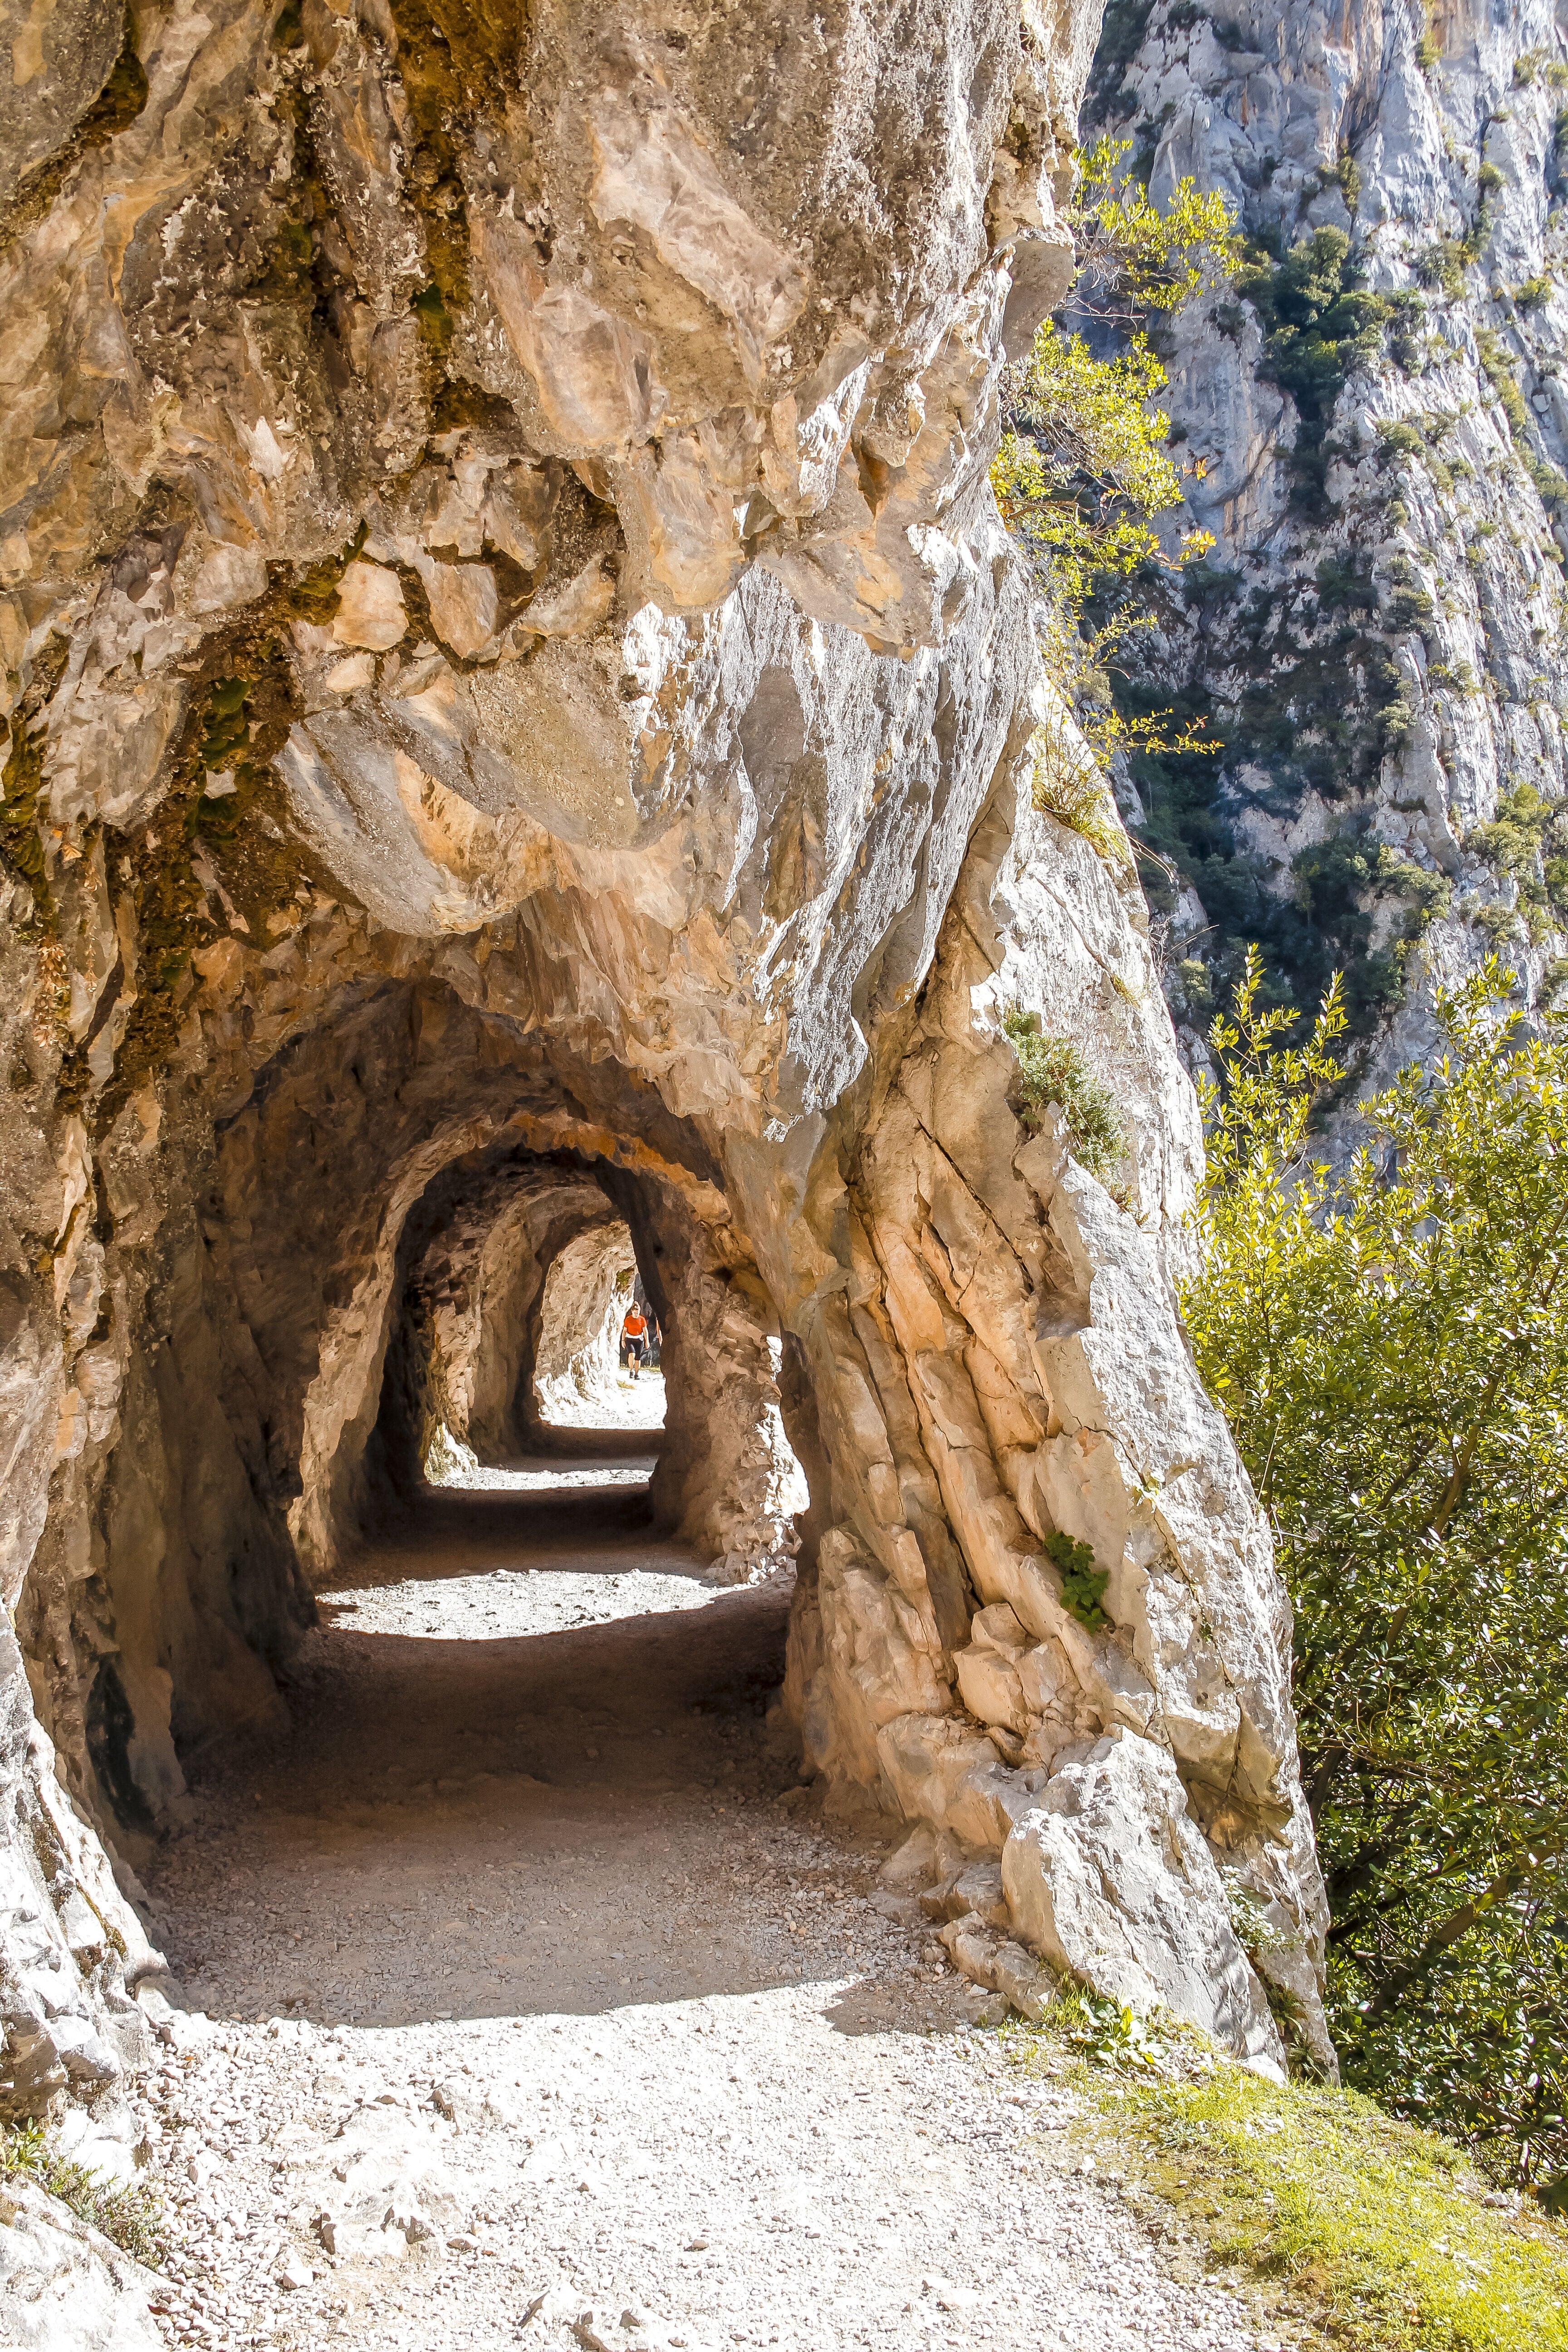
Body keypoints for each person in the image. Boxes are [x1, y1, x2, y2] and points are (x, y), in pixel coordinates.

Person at [622, 1301, 648, 1378]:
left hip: (639, 1339)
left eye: (638, 1313)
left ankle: (637, 1374)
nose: (636, 1314)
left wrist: (647, 1341)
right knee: (632, 1354)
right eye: (635, 1313)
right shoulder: (628, 1319)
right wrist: (623, 1340)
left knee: (638, 1358)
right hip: (630, 1339)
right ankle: (631, 1370)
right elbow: (624, 1331)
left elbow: (645, 1331)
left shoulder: (642, 1319)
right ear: (632, 1312)